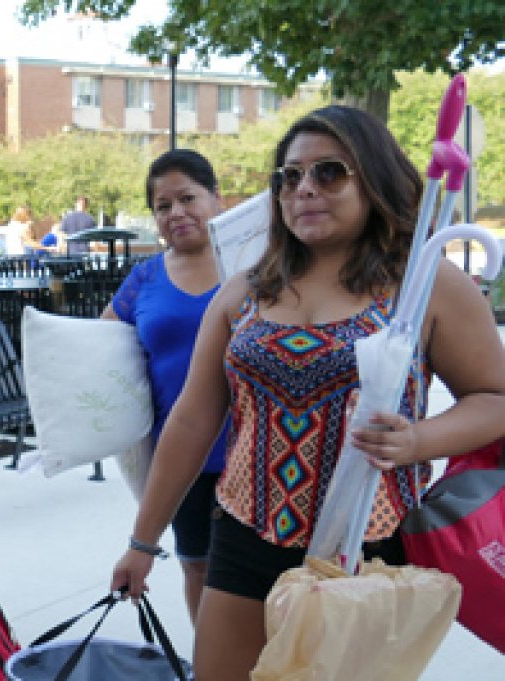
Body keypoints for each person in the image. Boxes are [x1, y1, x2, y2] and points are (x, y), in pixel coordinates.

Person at [111, 105, 505, 681]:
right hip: (246, 534)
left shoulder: (427, 286)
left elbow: (494, 399)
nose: (304, 189)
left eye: (329, 172)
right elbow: (193, 422)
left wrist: (419, 440)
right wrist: (142, 543)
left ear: (373, 179)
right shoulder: (243, 291)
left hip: (369, 550)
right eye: (289, 176)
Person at [102, 149, 227, 623]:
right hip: (181, 458)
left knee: (263, 578)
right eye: (162, 205)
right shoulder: (145, 279)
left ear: (216, 198)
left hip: (255, 455)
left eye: (187, 198)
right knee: (197, 568)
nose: (175, 213)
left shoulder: (255, 266)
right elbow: (102, 345)